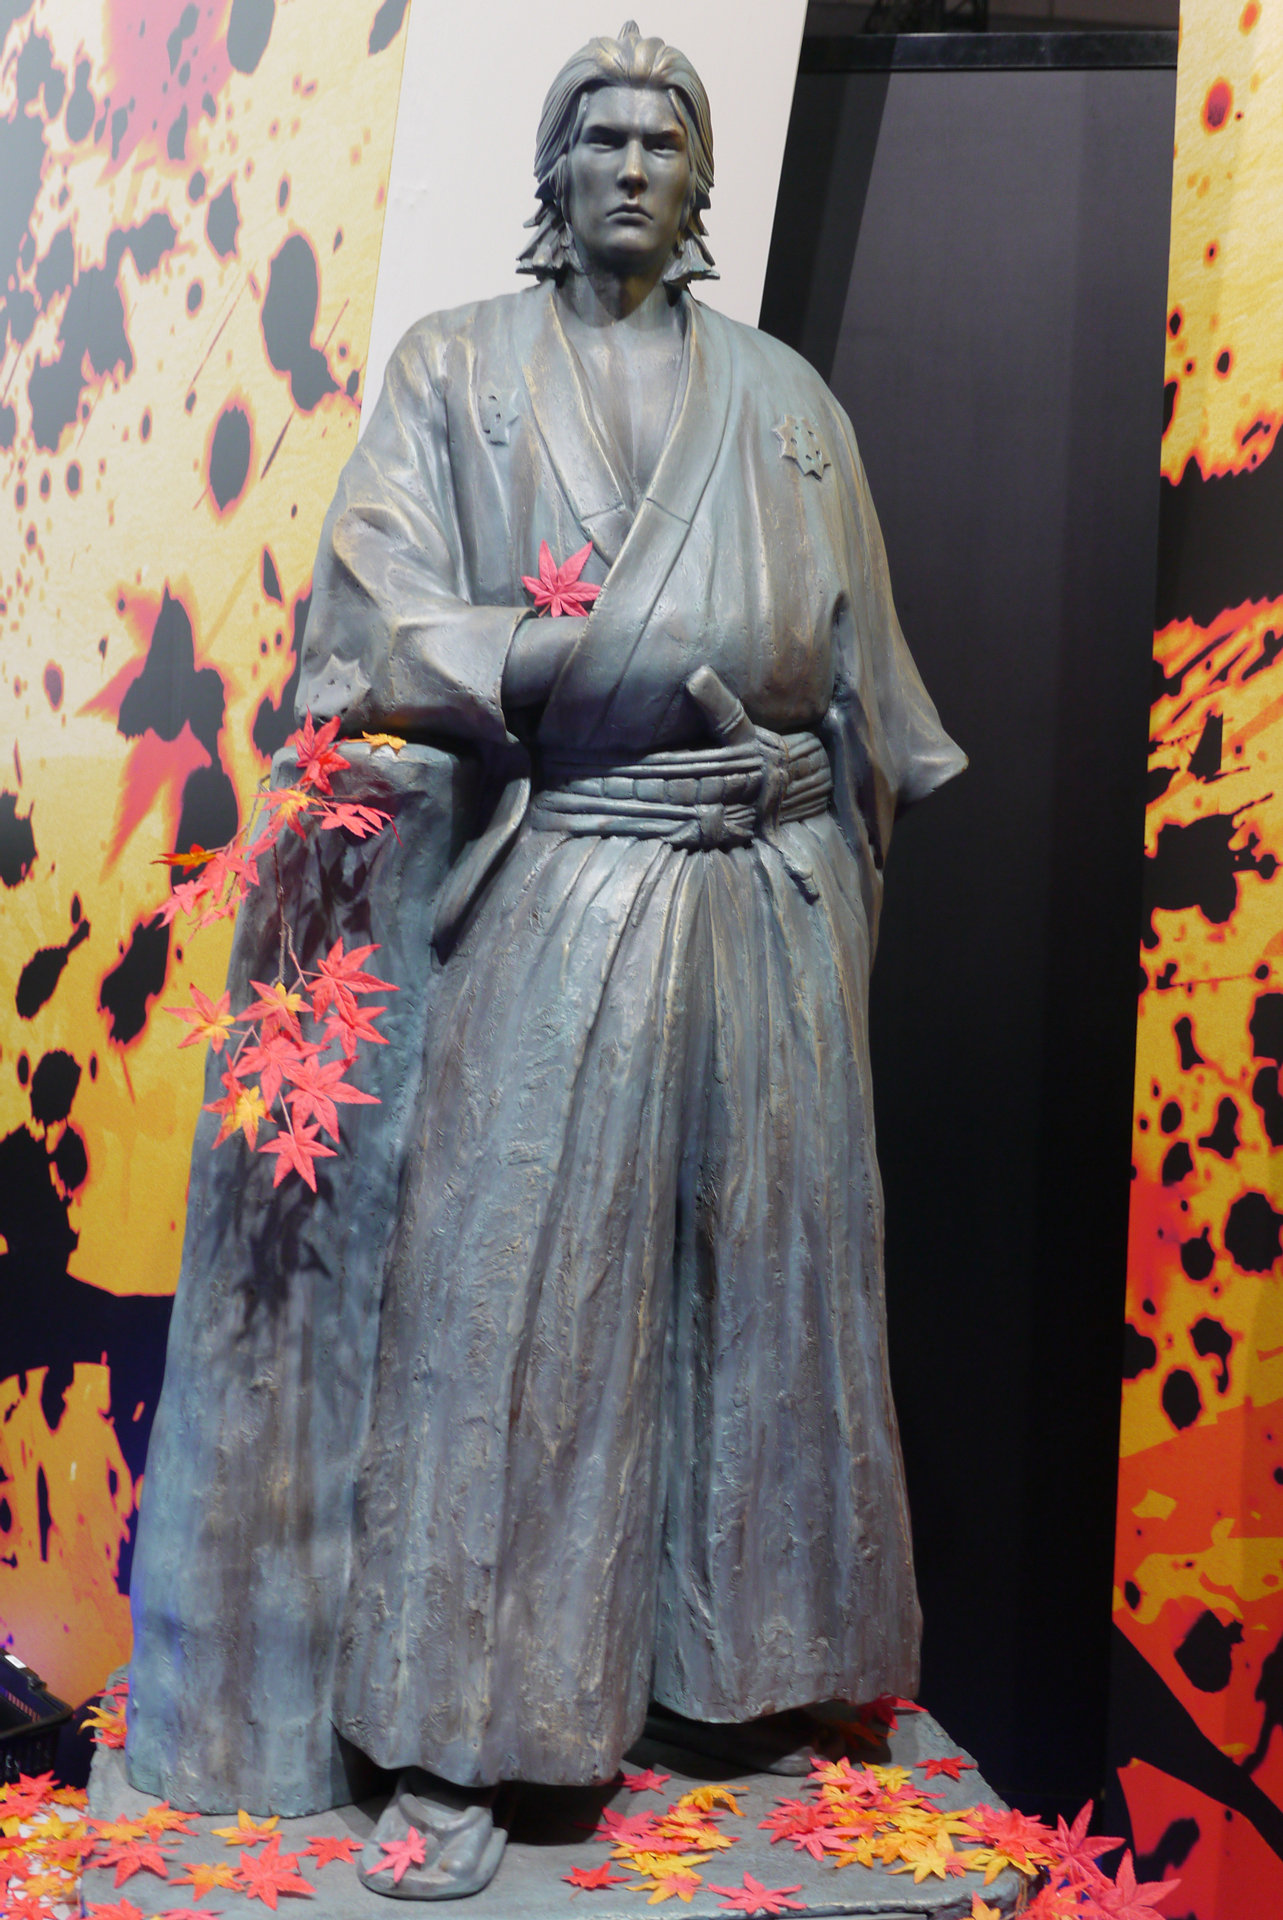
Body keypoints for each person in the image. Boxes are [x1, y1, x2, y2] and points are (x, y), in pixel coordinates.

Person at [126, 21, 965, 1902]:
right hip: (569, 866)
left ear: (700, 179)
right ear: (553, 172)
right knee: (518, 1312)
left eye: (665, 140)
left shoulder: (788, 404)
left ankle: (730, 1681)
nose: (633, 167)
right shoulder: (456, 372)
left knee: (763, 1300)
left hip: (761, 887)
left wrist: (812, 811)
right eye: (602, 139)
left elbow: (869, 701)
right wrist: (546, 658)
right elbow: (367, 622)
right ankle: (464, 1746)